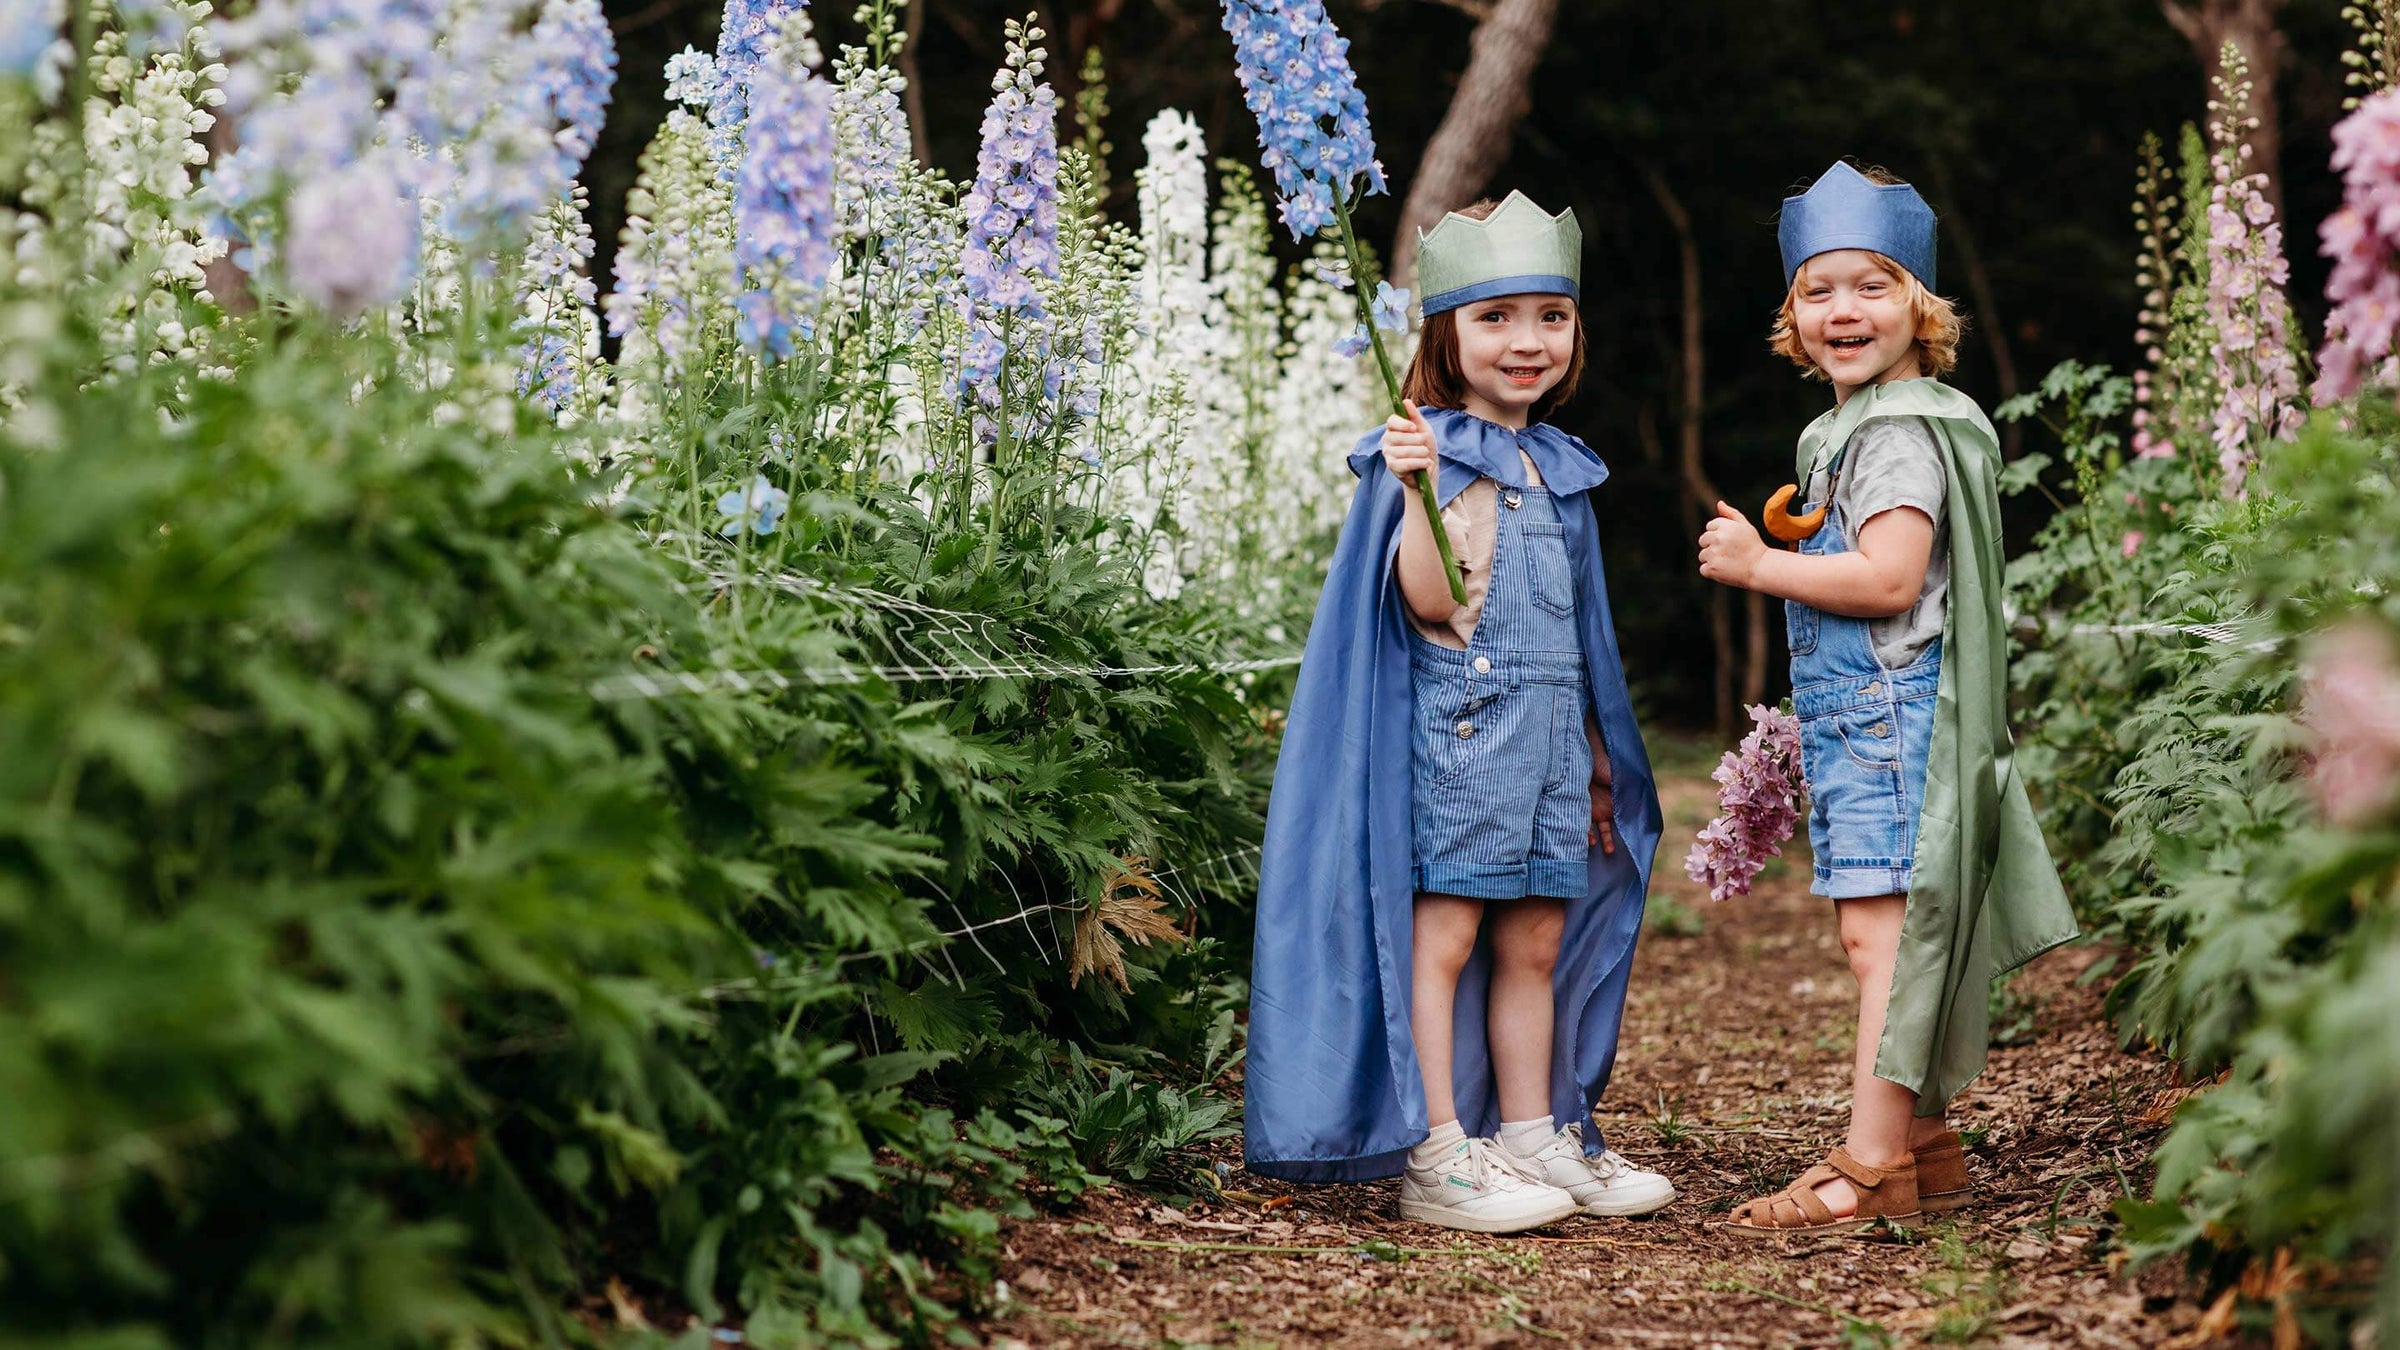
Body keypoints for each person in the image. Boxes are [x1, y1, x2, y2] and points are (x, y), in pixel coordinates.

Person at [1245, 192, 1673, 1233]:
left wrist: (1598, 762)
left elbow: (1579, 640)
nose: (1527, 341)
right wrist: (1418, 492)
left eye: (1551, 317)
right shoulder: (1426, 450)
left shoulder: (1555, 464)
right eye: (1496, 317)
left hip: (1549, 751)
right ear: (1446, 332)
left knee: (1532, 941)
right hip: (1464, 738)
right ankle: (1439, 1153)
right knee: (1442, 940)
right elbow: (1429, 601)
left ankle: (1530, 1132)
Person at [1696, 162, 2080, 1235]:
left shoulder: (1896, 432)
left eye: (1872, 285)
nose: (1844, 311)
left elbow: (1890, 580)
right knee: (1887, 936)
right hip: (1877, 723)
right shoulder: (1888, 421)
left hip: (1889, 724)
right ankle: (1919, 1137)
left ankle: (1869, 1167)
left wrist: (1756, 564)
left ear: (1921, 304)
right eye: (1818, 291)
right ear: (1792, 317)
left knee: (1882, 943)